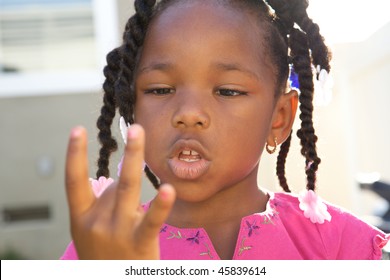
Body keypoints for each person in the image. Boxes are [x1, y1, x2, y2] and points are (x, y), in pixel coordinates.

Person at [61, 0, 389, 260]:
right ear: (132, 108)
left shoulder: (341, 247)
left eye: (228, 91)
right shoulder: (100, 251)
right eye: (160, 89)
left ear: (279, 118)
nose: (188, 114)